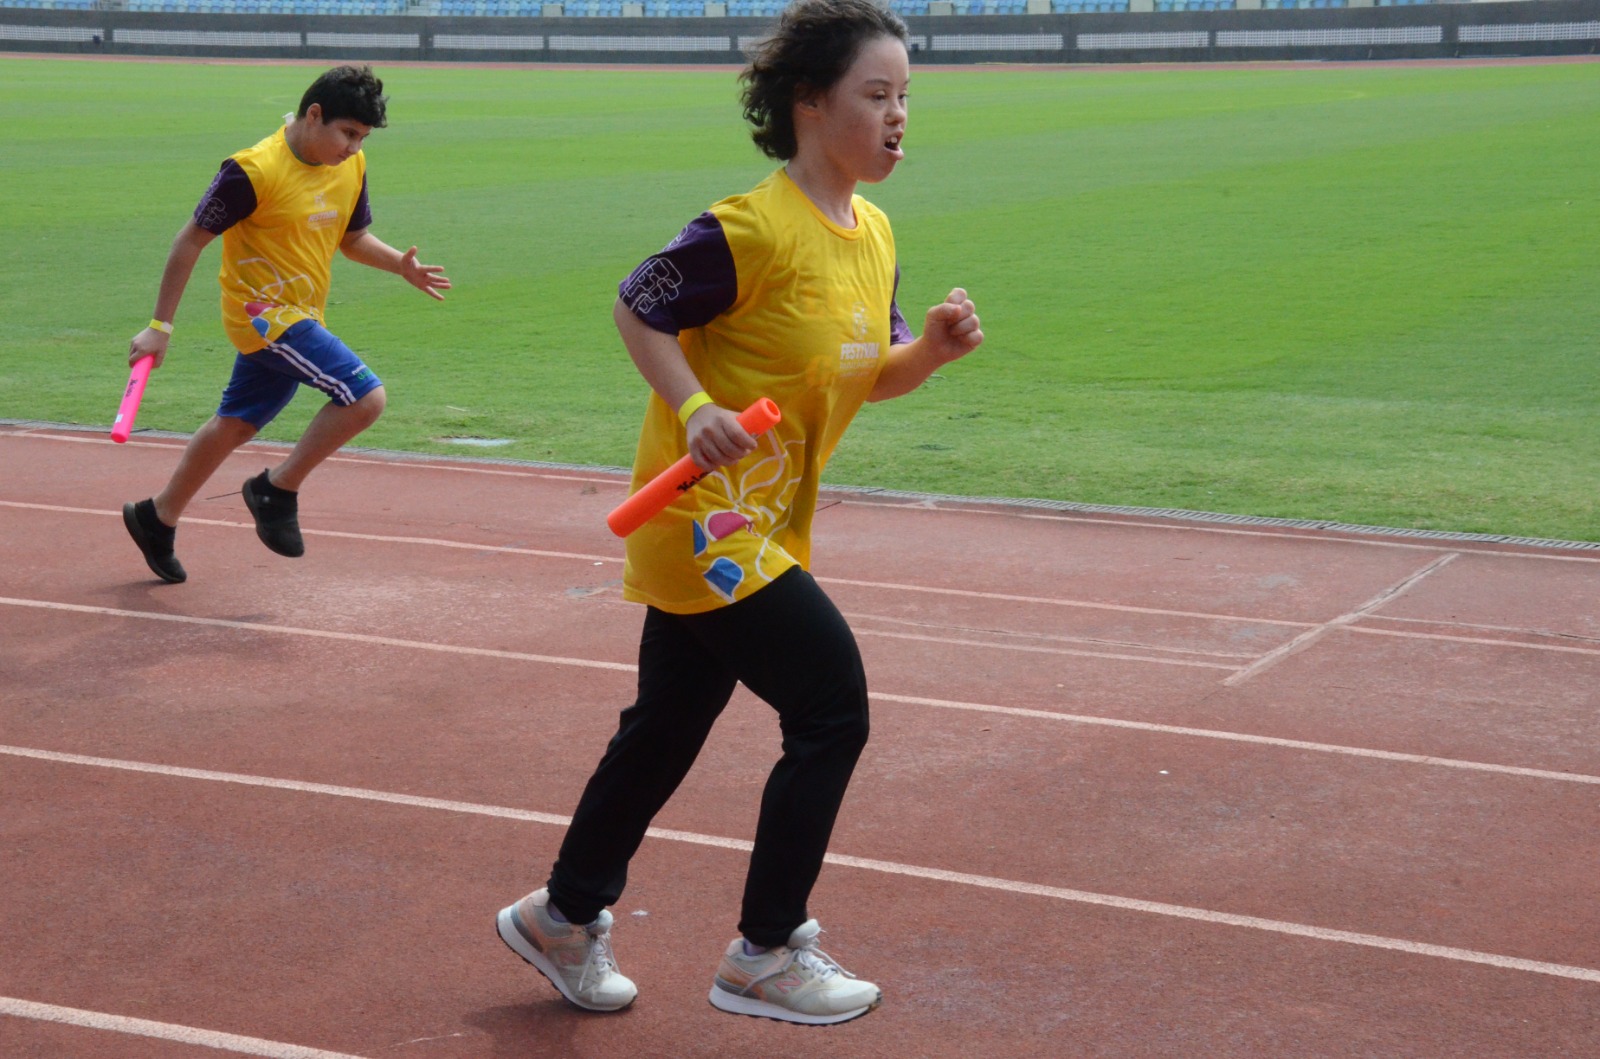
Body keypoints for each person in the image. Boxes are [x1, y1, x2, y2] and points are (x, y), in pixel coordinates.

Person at [495, 0, 982, 1026]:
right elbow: (639, 302)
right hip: (705, 528)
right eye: (876, 95)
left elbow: (866, 372)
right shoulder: (747, 228)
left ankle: (563, 914)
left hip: (764, 528)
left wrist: (927, 353)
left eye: (908, 98)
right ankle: (764, 952)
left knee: (667, 728)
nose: (899, 116)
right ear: (810, 101)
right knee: (830, 707)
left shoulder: (872, 231)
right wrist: (695, 404)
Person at [121, 64, 449, 584]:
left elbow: (352, 239)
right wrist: (160, 325)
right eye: (347, 133)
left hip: (302, 313)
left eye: (362, 138)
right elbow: (189, 242)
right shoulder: (251, 171)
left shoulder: (350, 166)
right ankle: (276, 488)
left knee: (237, 423)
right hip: (263, 317)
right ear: (313, 115)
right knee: (366, 397)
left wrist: (400, 267)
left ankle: (156, 517)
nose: (354, 147)